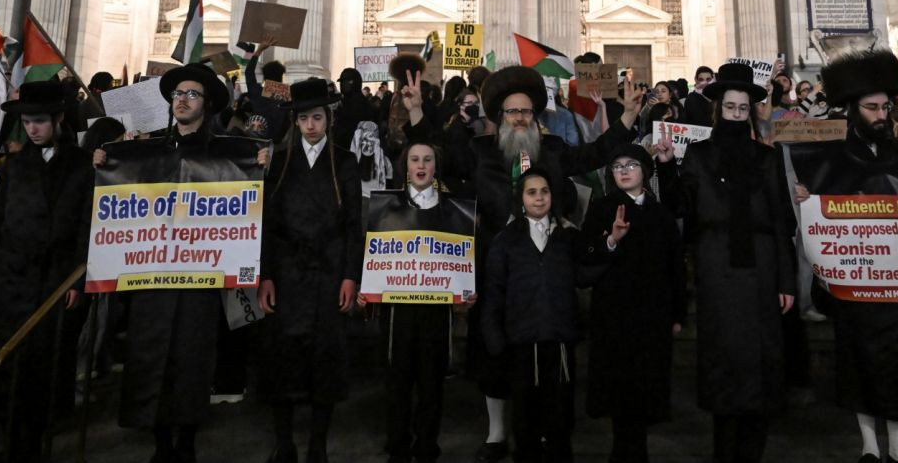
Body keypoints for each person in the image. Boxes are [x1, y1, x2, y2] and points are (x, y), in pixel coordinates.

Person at [401, 65, 642, 462]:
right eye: (511, 112)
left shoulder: (555, 152)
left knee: (546, 361)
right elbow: (435, 151)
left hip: (544, 272)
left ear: (535, 117)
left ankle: (546, 431)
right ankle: (497, 434)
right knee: (493, 356)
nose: (518, 118)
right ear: (499, 117)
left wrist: (628, 116)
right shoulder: (479, 153)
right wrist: (414, 112)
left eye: (525, 112)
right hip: (496, 273)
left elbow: (597, 153)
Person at [793, 50, 898, 463]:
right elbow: (820, 212)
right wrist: (807, 199)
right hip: (857, 278)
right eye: (871, 107)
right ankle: (869, 445)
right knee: (860, 360)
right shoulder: (830, 156)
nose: (880, 114)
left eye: (884, 106)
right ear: (853, 110)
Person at [670, 62, 795, 462]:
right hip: (716, 265)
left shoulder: (767, 157)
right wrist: (661, 167)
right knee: (723, 359)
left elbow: (781, 221)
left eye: (743, 110)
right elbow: (682, 208)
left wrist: (787, 282)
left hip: (760, 268)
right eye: (731, 109)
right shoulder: (699, 154)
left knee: (761, 361)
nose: (737, 115)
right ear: (718, 111)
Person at [0, 79, 93, 463]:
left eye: (40, 121)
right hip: (10, 280)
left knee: (44, 369)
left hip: (55, 283)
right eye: (28, 122)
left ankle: (34, 445)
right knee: (8, 365)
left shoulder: (82, 165)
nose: (33, 128)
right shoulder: (13, 167)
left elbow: (86, 227)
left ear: (57, 119)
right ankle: (11, 444)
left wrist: (78, 279)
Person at [114, 63, 234, 463]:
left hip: (199, 275)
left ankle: (187, 443)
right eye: (177, 95)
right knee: (152, 357)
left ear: (207, 103)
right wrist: (106, 159)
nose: (182, 101)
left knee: (192, 358)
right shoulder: (149, 148)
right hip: (152, 273)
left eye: (192, 94)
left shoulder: (223, 150)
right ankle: (160, 442)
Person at [257, 77, 362, 463]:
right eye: (304, 119)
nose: (311, 125)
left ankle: (318, 444)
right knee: (282, 358)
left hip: (329, 271)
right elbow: (266, 221)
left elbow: (355, 222)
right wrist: (266, 274)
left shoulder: (344, 161)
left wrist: (351, 275)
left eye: (317, 117)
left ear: (328, 119)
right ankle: (283, 443)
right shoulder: (280, 162)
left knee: (325, 361)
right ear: (296, 122)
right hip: (286, 273)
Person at [482, 169, 600, 463]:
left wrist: (611, 246)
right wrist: (494, 338)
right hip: (521, 342)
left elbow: (584, 275)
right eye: (531, 192)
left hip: (559, 340)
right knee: (524, 418)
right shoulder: (505, 240)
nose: (538, 198)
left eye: (544, 191)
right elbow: (493, 291)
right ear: (521, 199)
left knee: (560, 415)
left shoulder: (568, 236)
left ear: (552, 196)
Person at [366, 140, 469, 463]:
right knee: (397, 380)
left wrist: (466, 288)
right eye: (415, 160)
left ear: (435, 167)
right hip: (398, 309)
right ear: (406, 166)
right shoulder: (386, 208)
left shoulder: (455, 208)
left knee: (431, 381)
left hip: (436, 309)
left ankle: (427, 445)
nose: (421, 165)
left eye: (427, 159)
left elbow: (462, 262)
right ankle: (397, 444)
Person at [582, 145, 686, 462]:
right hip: (613, 313)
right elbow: (585, 256)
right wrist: (611, 240)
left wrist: (677, 312)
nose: (624, 171)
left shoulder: (661, 214)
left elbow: (675, 267)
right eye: (617, 166)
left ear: (645, 171)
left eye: (631, 164)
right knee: (618, 390)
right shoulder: (601, 208)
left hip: (652, 314)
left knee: (645, 389)